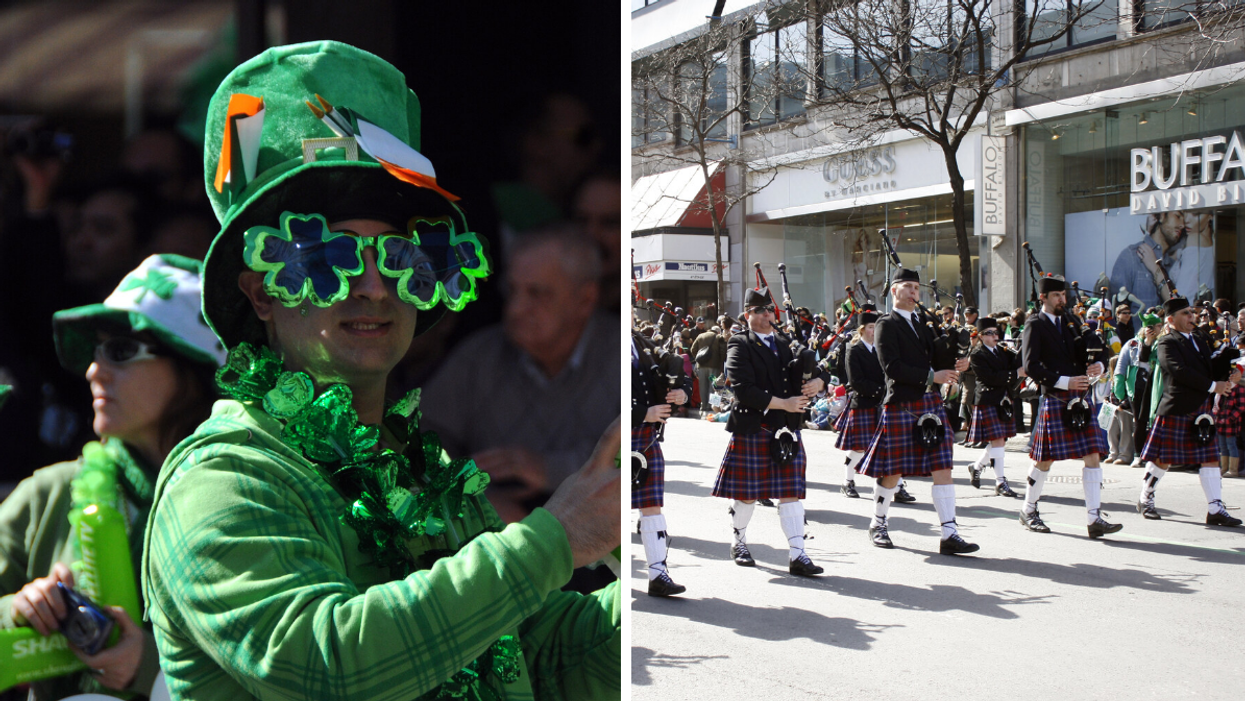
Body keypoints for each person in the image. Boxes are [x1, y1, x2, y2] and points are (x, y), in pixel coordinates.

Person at [141, 42, 620, 701]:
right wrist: (555, 539)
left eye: (401, 254)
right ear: (261, 294)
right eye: (325, 256)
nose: (371, 285)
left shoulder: (427, 474)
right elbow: (326, 666)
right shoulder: (224, 476)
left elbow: (543, 651)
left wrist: (650, 556)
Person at [0, 255, 224, 700]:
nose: (93, 370)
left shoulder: (247, 496)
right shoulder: (48, 493)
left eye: (120, 350)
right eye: (94, 351)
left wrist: (151, 665)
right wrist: (20, 612)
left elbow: (281, 660)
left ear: (195, 372)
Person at [420, 226, 618, 523]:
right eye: (511, 291)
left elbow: (638, 456)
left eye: (537, 294)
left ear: (585, 299)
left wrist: (550, 469)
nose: (515, 309)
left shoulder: (623, 357)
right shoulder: (479, 355)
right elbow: (420, 438)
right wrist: (473, 496)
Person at [855, 268, 978, 555]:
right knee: (892, 471)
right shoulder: (886, 323)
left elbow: (939, 357)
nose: (914, 292)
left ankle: (949, 533)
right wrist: (931, 376)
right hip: (902, 403)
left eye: (916, 287)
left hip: (930, 405)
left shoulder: (924, 322)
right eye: (908, 287)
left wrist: (960, 359)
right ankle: (878, 523)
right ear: (894, 290)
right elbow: (892, 367)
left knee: (943, 467)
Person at [712, 287, 827, 576]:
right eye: (761, 311)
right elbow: (743, 389)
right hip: (756, 427)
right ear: (748, 314)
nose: (767, 315)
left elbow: (817, 368)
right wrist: (784, 403)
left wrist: (818, 384)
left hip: (786, 429)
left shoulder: (785, 341)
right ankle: (738, 541)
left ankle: (798, 555)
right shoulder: (740, 343)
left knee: (791, 494)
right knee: (748, 494)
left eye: (770, 310)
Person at [1019, 275, 1118, 538]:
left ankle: (1094, 517)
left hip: (1081, 398)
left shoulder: (1072, 321)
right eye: (1056, 296)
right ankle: (1028, 510)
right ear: (1043, 298)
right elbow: (1031, 366)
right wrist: (1064, 381)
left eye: (1063, 295)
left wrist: (1097, 365)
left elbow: (1095, 349)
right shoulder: (1034, 325)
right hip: (1057, 397)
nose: (1062, 299)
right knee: (1044, 460)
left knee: (1093, 454)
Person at [1136, 297, 1243, 525]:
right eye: (1185, 313)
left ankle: (1215, 508)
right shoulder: (1166, 342)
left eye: (1191, 313)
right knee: (1163, 459)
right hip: (1178, 407)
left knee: (1211, 459)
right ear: (1171, 319)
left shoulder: (1199, 339)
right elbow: (1178, 370)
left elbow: (1209, 368)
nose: (1191, 317)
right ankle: (1146, 498)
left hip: (1201, 408)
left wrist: (1230, 371)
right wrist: (1215, 386)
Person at [631, 326, 691, 597]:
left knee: (651, 505)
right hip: (613, 436)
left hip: (645, 436)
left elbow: (673, 369)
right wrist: (643, 412)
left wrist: (682, 393)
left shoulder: (641, 341)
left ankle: (658, 573)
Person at [964, 316, 1024, 497]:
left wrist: (1022, 350)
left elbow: (1017, 364)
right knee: (998, 440)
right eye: (990, 333)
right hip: (988, 399)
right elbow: (990, 377)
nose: (994, 336)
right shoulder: (977, 354)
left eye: (996, 333)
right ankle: (1000, 482)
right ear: (981, 336)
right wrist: (1014, 373)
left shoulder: (1003, 351)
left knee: (999, 441)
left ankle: (977, 466)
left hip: (1003, 399)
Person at [837, 308, 883, 499]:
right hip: (863, 402)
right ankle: (847, 481)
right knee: (859, 447)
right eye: (872, 327)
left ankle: (894, 486)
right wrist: (881, 390)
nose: (875, 331)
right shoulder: (854, 350)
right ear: (862, 329)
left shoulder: (882, 349)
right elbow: (856, 381)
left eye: (877, 327)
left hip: (882, 404)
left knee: (884, 447)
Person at [690, 322, 726, 413]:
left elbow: (692, 349)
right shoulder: (718, 337)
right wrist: (721, 363)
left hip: (701, 367)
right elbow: (723, 351)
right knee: (714, 385)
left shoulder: (700, 336)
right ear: (718, 332)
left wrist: (699, 358)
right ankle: (712, 406)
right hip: (714, 367)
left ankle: (703, 406)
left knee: (703, 386)